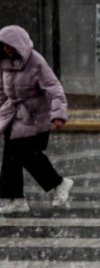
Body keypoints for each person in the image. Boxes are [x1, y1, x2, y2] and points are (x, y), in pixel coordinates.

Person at [0, 25, 72, 214]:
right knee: (10, 158)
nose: (6, 49)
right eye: (3, 46)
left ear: (18, 44)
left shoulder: (35, 62)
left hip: (35, 116)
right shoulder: (4, 63)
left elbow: (54, 87)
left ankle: (59, 183)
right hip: (13, 115)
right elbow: (2, 91)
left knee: (27, 154)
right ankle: (15, 199)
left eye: (9, 45)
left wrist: (58, 114)